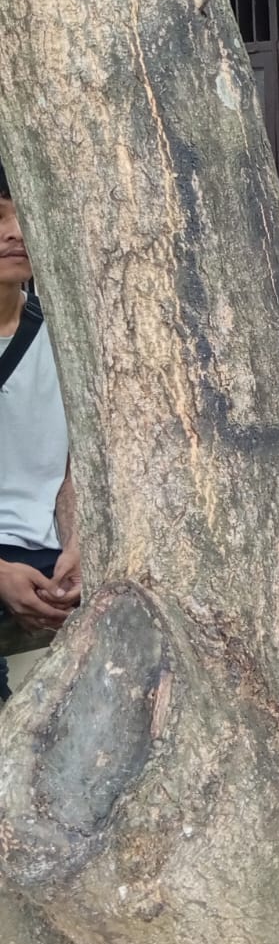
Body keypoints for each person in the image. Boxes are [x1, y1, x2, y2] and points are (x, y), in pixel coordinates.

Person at [0, 164, 80, 691]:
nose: (16, 232)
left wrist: (79, 546)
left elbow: (72, 465)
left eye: (24, 214)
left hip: (46, 553)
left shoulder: (66, 335)